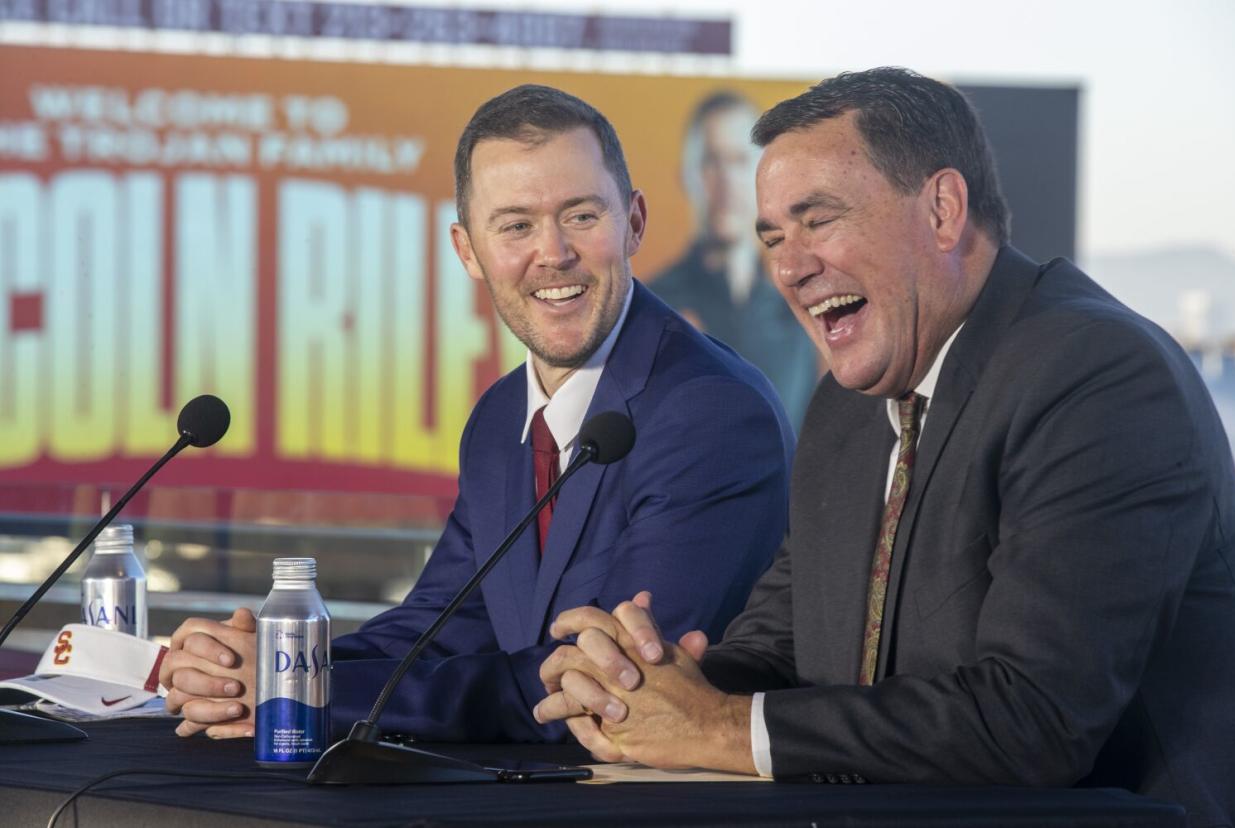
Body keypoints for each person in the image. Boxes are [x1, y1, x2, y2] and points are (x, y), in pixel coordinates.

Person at [534, 68, 1235, 827]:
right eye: (773, 236)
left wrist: (712, 727)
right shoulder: (847, 405)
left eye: (819, 220)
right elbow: (782, 650)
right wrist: (641, 687)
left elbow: (1035, 721)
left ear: (942, 209)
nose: (789, 266)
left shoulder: (1097, 376)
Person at [159, 85, 795, 743]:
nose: (552, 253)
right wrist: (262, 669)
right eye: (516, 225)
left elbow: (606, 687)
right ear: (468, 251)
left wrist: (301, 691)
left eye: (580, 216)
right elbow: (440, 627)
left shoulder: (712, 413)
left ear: (633, 222)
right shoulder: (499, 420)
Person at [650, 91, 818, 429]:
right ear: (688, 176)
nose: (726, 180)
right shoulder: (653, 305)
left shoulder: (803, 301)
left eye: (740, 161)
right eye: (712, 161)